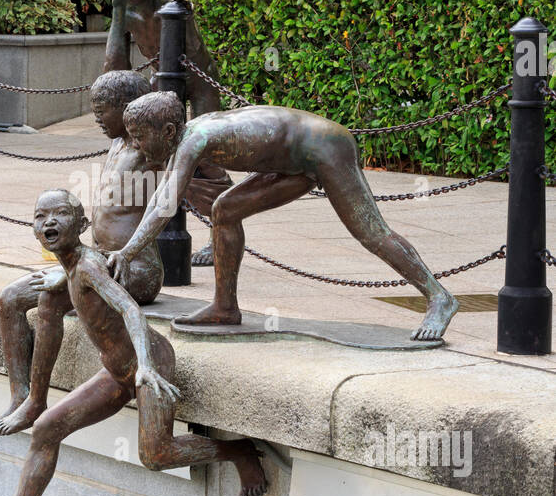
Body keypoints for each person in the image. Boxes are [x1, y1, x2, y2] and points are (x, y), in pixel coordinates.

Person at [0, 189, 268, 496]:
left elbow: (130, 310)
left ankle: (238, 451)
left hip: (151, 364)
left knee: (156, 455)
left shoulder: (89, 266)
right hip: (117, 372)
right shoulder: (71, 268)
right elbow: (71, 286)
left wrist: (144, 364)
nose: (48, 223)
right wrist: (58, 282)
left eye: (59, 214)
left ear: (81, 224)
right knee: (46, 429)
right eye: (39, 216)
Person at [108, 93, 458, 343]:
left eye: (139, 137)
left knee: (371, 232)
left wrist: (127, 251)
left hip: (325, 147)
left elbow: (163, 204)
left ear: (168, 131)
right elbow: (161, 195)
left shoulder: (193, 140)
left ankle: (439, 297)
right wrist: (130, 249)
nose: (136, 146)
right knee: (225, 211)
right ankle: (225, 306)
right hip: (290, 161)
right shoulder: (185, 136)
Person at [0, 70, 165, 437]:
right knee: (9, 298)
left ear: (128, 110)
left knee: (49, 301)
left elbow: (167, 199)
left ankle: (37, 401)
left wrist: (109, 260)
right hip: (98, 260)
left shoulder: (149, 148)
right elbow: (117, 64)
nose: (95, 116)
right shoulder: (116, 142)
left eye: (102, 109)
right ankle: (20, 396)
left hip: (133, 271)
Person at [104, 0, 231, 264]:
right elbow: (115, 72)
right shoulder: (126, 12)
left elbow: (194, 55)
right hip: (162, 81)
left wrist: (183, 17)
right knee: (154, 157)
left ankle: (223, 237)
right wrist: (118, 13)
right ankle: (153, 233)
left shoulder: (172, 6)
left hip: (198, 85)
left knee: (204, 157)